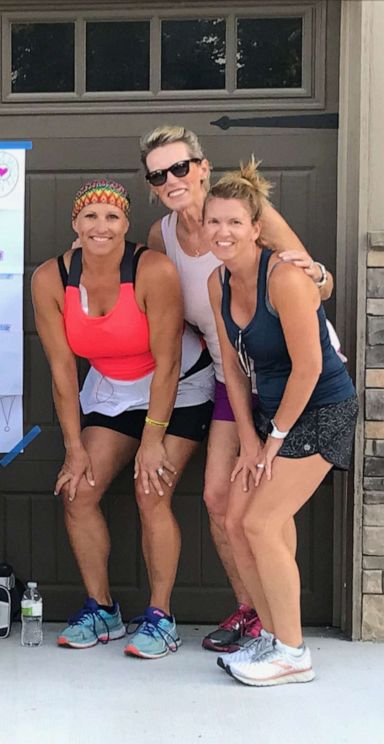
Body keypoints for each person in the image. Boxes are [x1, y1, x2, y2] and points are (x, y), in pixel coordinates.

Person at [139, 125, 335, 653]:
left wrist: (312, 274)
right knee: (218, 499)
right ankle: (255, 613)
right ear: (152, 184)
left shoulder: (244, 212)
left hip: (290, 376)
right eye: (159, 173)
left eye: (180, 167)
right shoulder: (162, 237)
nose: (172, 179)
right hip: (233, 378)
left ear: (202, 167)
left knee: (262, 511)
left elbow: (319, 281)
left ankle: (280, 627)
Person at [31, 179, 214, 659]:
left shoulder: (152, 269)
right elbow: (61, 370)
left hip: (179, 384)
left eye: (111, 217)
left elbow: (170, 362)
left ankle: (160, 616)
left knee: (150, 490)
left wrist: (153, 439)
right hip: (113, 388)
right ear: (75, 223)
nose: (101, 226)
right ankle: (102, 608)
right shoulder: (51, 278)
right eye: (90, 216)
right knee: (79, 489)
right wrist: (73, 446)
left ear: (126, 224)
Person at [205, 160, 356, 686]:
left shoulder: (285, 277)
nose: (223, 233)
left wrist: (274, 441)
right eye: (213, 222)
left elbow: (311, 366)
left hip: (321, 411)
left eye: (234, 223)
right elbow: (232, 368)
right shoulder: (215, 282)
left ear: (254, 228)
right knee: (233, 521)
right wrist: (249, 441)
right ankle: (272, 637)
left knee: (260, 523)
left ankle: (293, 654)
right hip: (273, 418)